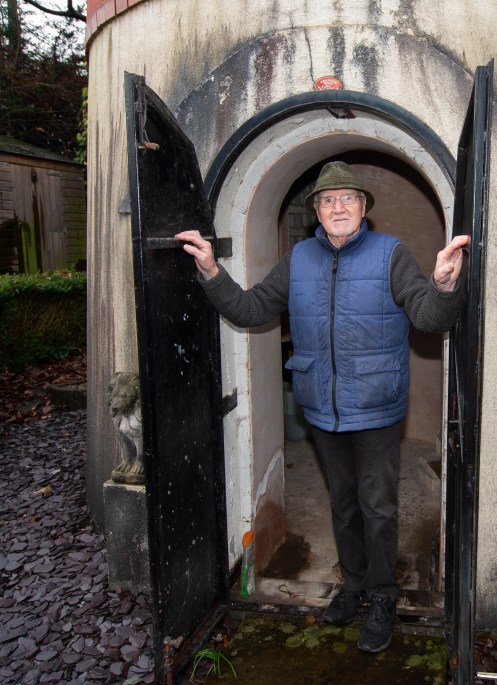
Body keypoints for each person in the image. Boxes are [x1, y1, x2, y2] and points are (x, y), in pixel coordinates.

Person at [175, 161, 469, 654]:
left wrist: (443, 286)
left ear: (363, 208)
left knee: (378, 508)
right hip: (322, 408)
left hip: (375, 407)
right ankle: (353, 586)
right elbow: (250, 309)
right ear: (316, 211)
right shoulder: (299, 260)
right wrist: (210, 271)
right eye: (328, 200)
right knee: (343, 505)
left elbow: (428, 316)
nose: (339, 207)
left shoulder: (390, 254)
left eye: (348, 199)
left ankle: (381, 596)